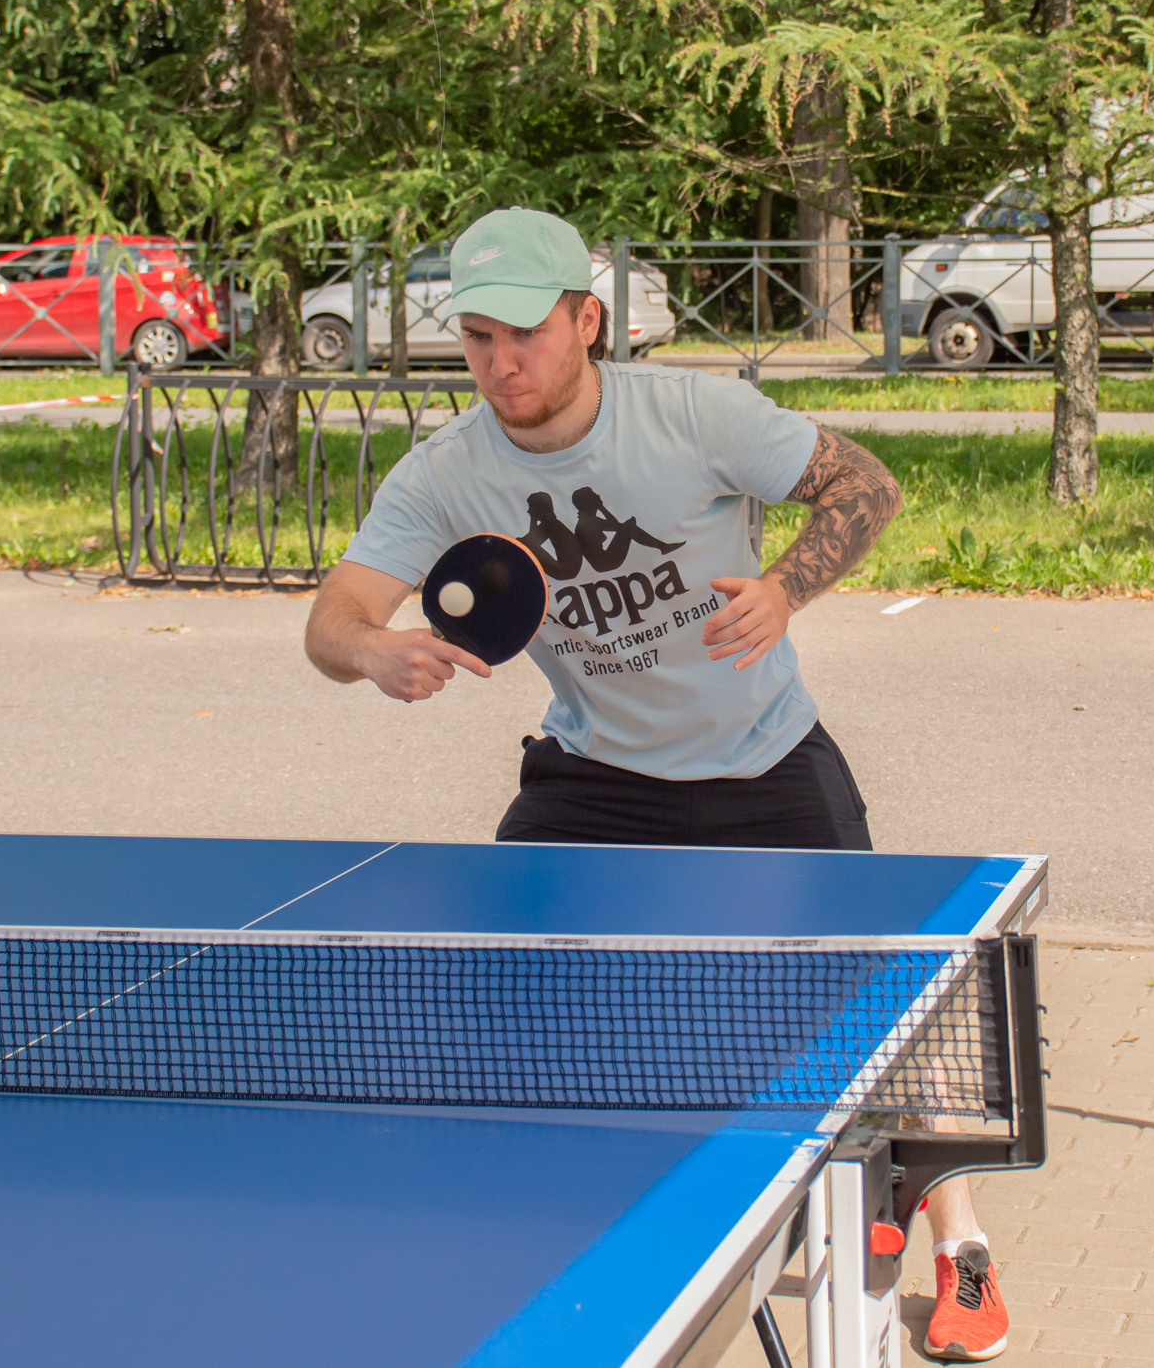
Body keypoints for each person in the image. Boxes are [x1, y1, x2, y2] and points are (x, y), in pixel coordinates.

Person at [303, 207, 1008, 1361]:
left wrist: (783, 590)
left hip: (768, 758)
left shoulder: (692, 413)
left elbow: (865, 487)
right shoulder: (445, 472)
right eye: (476, 335)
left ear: (587, 320)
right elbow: (332, 620)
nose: (498, 361)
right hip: (595, 777)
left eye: (523, 333)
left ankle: (957, 1235)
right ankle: (543, 1222)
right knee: (501, 986)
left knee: (891, 999)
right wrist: (373, 651)